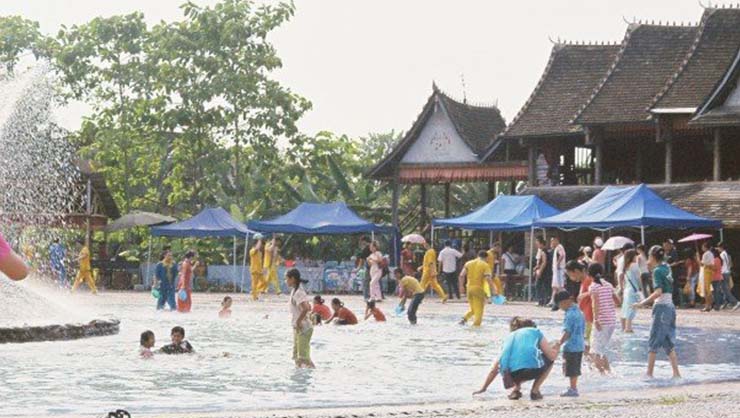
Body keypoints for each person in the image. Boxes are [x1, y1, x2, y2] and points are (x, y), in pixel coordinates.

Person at [473, 317, 559, 401]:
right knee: (547, 357)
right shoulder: (535, 332)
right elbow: (551, 356)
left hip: (510, 376)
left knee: (517, 365)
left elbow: (494, 369)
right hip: (531, 371)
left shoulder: (509, 338)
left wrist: (483, 388)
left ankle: (516, 390)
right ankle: (535, 390)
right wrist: (557, 347)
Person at [633, 245, 681, 379]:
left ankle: (649, 374)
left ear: (653, 257)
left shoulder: (657, 271)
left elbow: (658, 292)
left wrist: (642, 303)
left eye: (649, 256)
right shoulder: (667, 267)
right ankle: (676, 374)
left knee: (653, 340)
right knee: (667, 341)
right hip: (670, 308)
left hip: (661, 308)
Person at [589, 263, 620, 374]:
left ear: (589, 274)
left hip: (601, 322)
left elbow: (595, 304)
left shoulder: (593, 287)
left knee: (594, 351)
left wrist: (596, 319)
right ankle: (609, 372)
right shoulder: (609, 285)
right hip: (611, 321)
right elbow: (618, 301)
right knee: (601, 348)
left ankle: (602, 374)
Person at [555, 290, 585, 397]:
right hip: (580, 344)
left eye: (560, 305)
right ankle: (573, 387)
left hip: (571, 345)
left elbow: (567, 331)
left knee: (571, 369)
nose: (561, 308)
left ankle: (573, 389)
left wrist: (559, 342)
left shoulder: (570, 315)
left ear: (565, 302)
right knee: (575, 367)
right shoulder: (579, 311)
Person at [286, 268, 315, 368]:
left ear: (292, 279)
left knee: (303, 359)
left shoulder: (298, 292)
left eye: (287, 279)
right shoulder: (295, 290)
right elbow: (308, 306)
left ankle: (312, 374)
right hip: (298, 328)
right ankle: (298, 378)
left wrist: (298, 321)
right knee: (297, 357)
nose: (286, 281)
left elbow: (306, 308)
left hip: (303, 328)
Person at [459, 250, 495, 327]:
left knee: (473, 309)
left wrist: (461, 286)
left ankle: (464, 319)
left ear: (478, 256)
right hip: (478, 289)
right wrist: (493, 289)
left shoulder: (468, 263)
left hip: (469, 289)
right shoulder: (485, 265)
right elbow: (488, 278)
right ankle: (475, 328)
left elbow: (461, 275)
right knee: (479, 312)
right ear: (486, 258)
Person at [565, 261, 593, 357]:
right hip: (587, 318)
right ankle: (595, 369)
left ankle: (599, 370)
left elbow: (596, 291)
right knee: (588, 348)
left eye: (570, 274)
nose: (570, 278)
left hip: (590, 319)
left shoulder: (588, 281)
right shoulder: (584, 282)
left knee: (589, 348)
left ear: (576, 271)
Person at [621, 249, 643, 333]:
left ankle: (623, 327)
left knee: (625, 308)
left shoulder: (626, 266)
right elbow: (638, 278)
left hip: (627, 289)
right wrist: (641, 288)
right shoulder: (634, 265)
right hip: (633, 290)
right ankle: (628, 328)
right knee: (632, 308)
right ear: (632, 256)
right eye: (635, 255)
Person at [717, 242, 740, 310]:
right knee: (726, 289)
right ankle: (726, 302)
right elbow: (730, 264)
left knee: (725, 289)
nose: (717, 249)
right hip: (727, 272)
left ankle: (735, 302)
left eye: (718, 247)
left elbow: (720, 265)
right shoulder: (727, 254)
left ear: (721, 247)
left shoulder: (721, 254)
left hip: (723, 272)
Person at [550, 236, 566, 311]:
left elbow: (562, 255)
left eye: (553, 241)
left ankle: (562, 300)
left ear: (556, 240)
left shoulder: (559, 247)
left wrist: (558, 264)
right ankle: (553, 301)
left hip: (559, 269)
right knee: (555, 286)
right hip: (556, 270)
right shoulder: (556, 248)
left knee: (559, 286)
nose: (552, 243)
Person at [249, 235, 266, 301]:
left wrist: (262, 269)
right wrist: (260, 240)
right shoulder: (252, 250)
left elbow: (260, 262)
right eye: (260, 244)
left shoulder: (260, 252)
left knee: (264, 282)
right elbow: (256, 249)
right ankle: (254, 297)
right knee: (254, 284)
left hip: (259, 270)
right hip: (254, 270)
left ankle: (254, 292)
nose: (261, 246)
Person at [700, 241, 715, 312]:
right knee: (708, 289)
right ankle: (709, 305)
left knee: (706, 290)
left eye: (703, 246)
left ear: (705, 247)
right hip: (710, 272)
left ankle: (707, 306)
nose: (702, 248)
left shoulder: (705, 254)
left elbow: (702, 264)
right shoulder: (711, 254)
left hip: (706, 272)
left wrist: (698, 260)